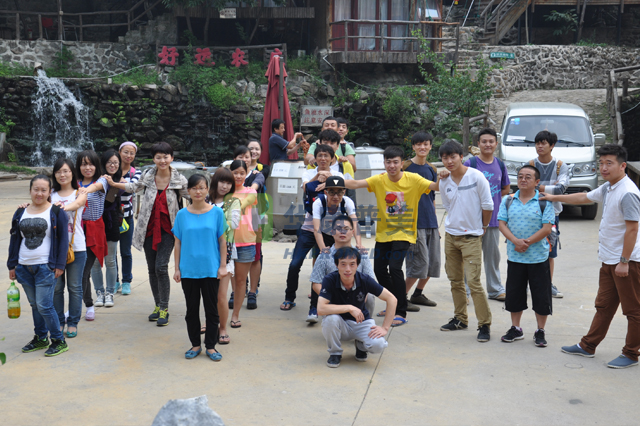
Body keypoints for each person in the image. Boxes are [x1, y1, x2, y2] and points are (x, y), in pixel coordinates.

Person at [543, 144, 640, 369]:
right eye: (601, 163)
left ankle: (631, 353)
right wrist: (552, 197)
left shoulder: (628, 192)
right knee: (604, 306)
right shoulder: (609, 187)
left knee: (633, 310)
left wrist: (624, 261)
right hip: (609, 259)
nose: (604, 168)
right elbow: (584, 197)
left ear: (623, 166)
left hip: (626, 262)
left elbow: (633, 229)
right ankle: (588, 345)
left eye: (609, 163)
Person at [345, 145, 439, 327]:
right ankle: (394, 301)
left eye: (395, 162)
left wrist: (443, 177)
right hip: (384, 234)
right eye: (388, 162)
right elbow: (355, 184)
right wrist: (332, 180)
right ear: (384, 163)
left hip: (404, 233)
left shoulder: (413, 179)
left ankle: (401, 311)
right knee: (379, 270)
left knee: (395, 268)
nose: (392, 166)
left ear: (402, 163)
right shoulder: (380, 180)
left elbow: (435, 187)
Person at [107, 142, 189, 327]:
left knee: (161, 267)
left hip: (169, 230)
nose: (162, 160)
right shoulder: (148, 175)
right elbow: (133, 187)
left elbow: (192, 195)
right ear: (153, 159)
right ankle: (157, 305)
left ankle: (164, 308)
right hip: (148, 229)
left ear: (172, 158)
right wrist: (113, 184)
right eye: (158, 157)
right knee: (152, 269)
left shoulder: (179, 179)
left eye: (166, 156)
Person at [437, 140, 494, 342]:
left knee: (474, 282)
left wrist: (483, 227)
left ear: (461, 157)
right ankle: (460, 319)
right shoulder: (444, 181)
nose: (449, 161)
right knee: (455, 280)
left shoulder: (476, 176)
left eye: (453, 157)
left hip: (471, 237)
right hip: (451, 236)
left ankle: (484, 325)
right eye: (445, 158)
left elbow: (488, 205)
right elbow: (448, 207)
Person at [8, 175, 69, 356]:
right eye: (36, 189)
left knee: (44, 305)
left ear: (50, 192)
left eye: (44, 190)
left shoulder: (56, 212)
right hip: (23, 266)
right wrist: (12, 265)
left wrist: (60, 265)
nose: (39, 193)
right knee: (35, 305)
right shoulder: (21, 212)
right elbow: (14, 239)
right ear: (30, 190)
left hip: (45, 267)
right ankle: (41, 337)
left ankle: (58, 340)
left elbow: (63, 240)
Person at [281, 144, 346, 311]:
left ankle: (316, 305)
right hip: (308, 228)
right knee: (295, 264)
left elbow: (341, 192)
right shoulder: (308, 173)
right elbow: (306, 188)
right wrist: (317, 176)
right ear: (315, 158)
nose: (323, 159)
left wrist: (329, 181)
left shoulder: (338, 175)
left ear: (332, 158)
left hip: (329, 231)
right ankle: (289, 297)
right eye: (320, 155)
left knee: (321, 267)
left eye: (326, 156)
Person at [498, 165, 555, 347]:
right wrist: (515, 241)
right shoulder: (508, 200)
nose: (523, 180)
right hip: (515, 257)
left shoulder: (544, 201)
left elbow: (547, 228)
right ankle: (516, 328)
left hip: (538, 257)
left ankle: (540, 330)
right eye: (520, 176)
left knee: (541, 296)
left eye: (528, 177)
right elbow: (502, 224)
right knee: (514, 294)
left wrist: (526, 243)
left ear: (537, 182)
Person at [173, 174, 227, 362]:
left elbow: (222, 241)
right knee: (191, 310)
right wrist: (177, 268)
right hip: (189, 270)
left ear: (207, 190)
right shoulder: (181, 215)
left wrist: (222, 266)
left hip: (211, 269)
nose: (198, 191)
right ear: (188, 191)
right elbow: (177, 243)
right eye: (194, 188)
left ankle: (210, 346)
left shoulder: (217, 213)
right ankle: (195, 344)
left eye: (202, 188)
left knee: (211, 310)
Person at [318, 247, 397, 368]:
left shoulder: (365, 279)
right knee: (330, 319)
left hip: (361, 322)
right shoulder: (330, 280)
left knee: (379, 345)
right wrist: (349, 308)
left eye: (352, 264)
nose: (348, 269)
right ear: (336, 265)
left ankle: (361, 346)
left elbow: (392, 299)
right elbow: (321, 309)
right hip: (340, 324)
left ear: (357, 265)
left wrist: (385, 328)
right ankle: (335, 353)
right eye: (343, 264)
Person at [463, 128, 510, 302]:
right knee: (469, 257)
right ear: (478, 144)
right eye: (484, 141)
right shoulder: (470, 164)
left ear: (496, 144)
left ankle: (495, 290)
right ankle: (465, 291)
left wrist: (493, 200)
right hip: (472, 220)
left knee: (492, 257)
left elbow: (505, 188)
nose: (487, 144)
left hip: (493, 220)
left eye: (491, 141)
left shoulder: (500, 164)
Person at [309, 215, 374, 324]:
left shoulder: (361, 254)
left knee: (371, 295)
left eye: (346, 229)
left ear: (353, 232)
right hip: (333, 298)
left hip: (358, 297)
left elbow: (371, 280)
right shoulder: (325, 255)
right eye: (338, 229)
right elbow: (316, 283)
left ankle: (364, 324)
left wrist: (362, 297)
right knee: (332, 320)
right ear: (332, 232)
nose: (342, 232)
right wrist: (329, 297)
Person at [530, 130, 570, 299]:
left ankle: (547, 284)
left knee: (549, 251)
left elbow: (561, 189)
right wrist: (550, 187)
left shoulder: (560, 166)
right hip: (531, 212)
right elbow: (524, 186)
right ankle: (530, 283)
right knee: (529, 247)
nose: (540, 146)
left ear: (552, 145)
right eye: (537, 143)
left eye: (543, 143)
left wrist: (536, 186)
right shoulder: (530, 164)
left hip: (552, 214)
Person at [51, 159, 88, 339]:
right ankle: (59, 321)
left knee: (74, 287)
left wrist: (61, 208)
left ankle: (73, 322)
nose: (62, 175)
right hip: (54, 249)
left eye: (66, 171)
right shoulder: (50, 194)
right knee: (57, 288)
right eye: (59, 171)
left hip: (77, 247)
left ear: (72, 173)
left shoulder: (80, 192)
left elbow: (77, 204)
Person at [404, 131, 441, 311]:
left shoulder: (432, 169)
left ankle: (418, 294)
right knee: (419, 264)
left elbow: (432, 197)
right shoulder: (405, 167)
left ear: (430, 146)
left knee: (433, 263)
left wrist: (436, 223)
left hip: (430, 221)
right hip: (413, 223)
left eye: (426, 144)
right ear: (413, 146)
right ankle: (400, 297)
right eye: (418, 144)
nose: (422, 147)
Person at [209, 168, 242, 345]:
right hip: (205, 252)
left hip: (225, 253)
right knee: (208, 295)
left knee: (221, 296)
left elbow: (233, 223)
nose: (225, 186)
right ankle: (210, 323)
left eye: (229, 183)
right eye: (222, 181)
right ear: (215, 182)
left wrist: (210, 222)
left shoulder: (233, 202)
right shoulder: (205, 199)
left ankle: (222, 328)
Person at [76, 150, 109, 322]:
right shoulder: (74, 183)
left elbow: (95, 187)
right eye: (84, 164)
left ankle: (88, 305)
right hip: (75, 232)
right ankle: (75, 307)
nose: (87, 168)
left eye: (91, 164)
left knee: (83, 271)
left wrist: (82, 191)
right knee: (75, 273)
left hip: (94, 231)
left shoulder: (102, 181)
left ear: (96, 166)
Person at [90, 150, 123, 309]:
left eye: (116, 162)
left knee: (110, 260)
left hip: (111, 223)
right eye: (109, 162)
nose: (113, 165)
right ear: (103, 164)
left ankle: (110, 292)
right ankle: (99, 293)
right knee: (96, 261)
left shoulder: (119, 181)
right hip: (95, 222)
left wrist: (114, 184)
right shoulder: (97, 180)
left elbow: (110, 200)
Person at [227, 160, 258, 328]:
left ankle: (235, 315)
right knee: (227, 281)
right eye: (235, 173)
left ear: (246, 174)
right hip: (226, 242)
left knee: (240, 281)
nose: (238, 176)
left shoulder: (250, 192)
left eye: (242, 173)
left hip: (245, 241)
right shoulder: (223, 192)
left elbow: (246, 203)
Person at [115, 141, 141, 296]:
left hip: (127, 216)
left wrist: (117, 183)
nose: (128, 155)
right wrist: (122, 183)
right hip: (111, 217)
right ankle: (114, 281)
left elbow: (132, 188)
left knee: (125, 251)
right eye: (126, 152)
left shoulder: (135, 172)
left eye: (132, 153)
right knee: (111, 253)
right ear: (119, 152)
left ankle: (126, 281)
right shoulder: (112, 168)